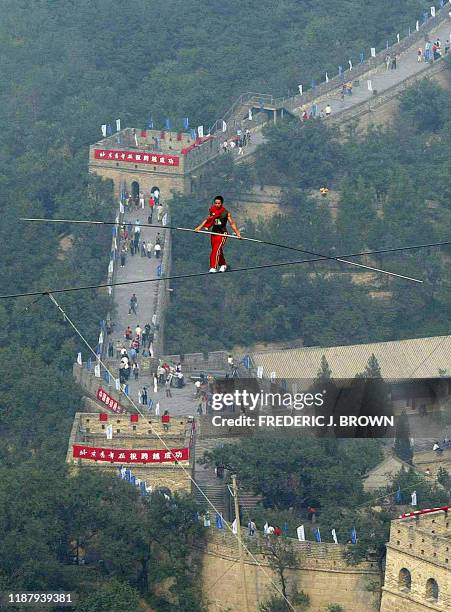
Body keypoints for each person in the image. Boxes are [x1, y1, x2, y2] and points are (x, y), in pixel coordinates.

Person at [194, 195, 241, 272]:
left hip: (222, 234)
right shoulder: (212, 210)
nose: (217, 205)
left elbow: (232, 223)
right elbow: (208, 219)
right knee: (218, 250)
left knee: (215, 250)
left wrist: (238, 233)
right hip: (214, 233)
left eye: (219, 203)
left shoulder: (225, 213)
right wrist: (199, 227)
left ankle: (213, 267)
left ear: (221, 203)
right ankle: (223, 265)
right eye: (215, 203)